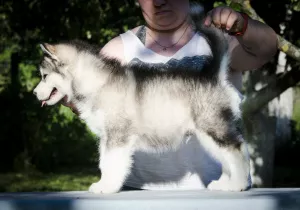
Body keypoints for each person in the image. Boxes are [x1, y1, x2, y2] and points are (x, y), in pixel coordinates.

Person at [65, 0, 278, 190]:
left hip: (213, 190)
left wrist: (243, 25)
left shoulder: (219, 42)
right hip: (139, 191)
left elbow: (267, 48)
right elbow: (98, 109)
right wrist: (76, 97)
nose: (159, 2)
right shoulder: (118, 50)